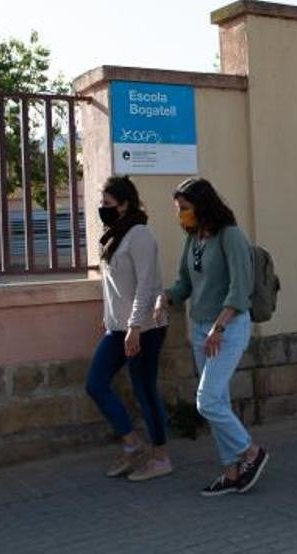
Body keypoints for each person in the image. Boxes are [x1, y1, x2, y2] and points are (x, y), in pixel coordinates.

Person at [154, 177, 269, 497]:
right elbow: (185, 284)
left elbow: (240, 288)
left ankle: (250, 452)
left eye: (185, 208)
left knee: (206, 400)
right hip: (202, 328)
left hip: (228, 328)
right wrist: (167, 297)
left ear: (203, 206)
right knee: (219, 400)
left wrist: (219, 327)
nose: (181, 215)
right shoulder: (194, 241)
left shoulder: (230, 236)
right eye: (178, 209)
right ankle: (231, 471)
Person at [84, 176, 172, 482]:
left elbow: (146, 285)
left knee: (144, 390)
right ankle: (131, 443)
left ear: (125, 204)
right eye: (102, 203)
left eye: (108, 204)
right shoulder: (114, 235)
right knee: (95, 383)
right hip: (118, 328)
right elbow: (114, 286)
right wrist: (108, 318)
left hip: (145, 328)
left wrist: (135, 326)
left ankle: (161, 457)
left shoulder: (140, 235)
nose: (102, 209)